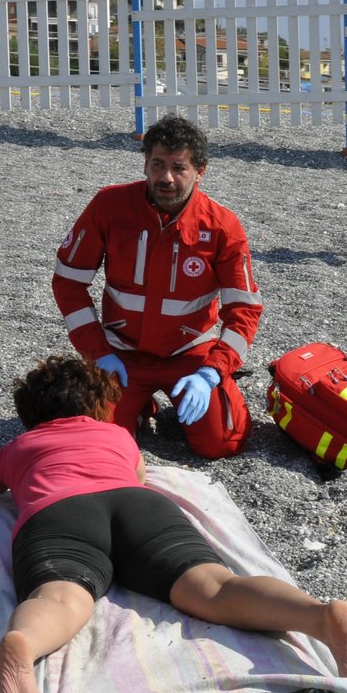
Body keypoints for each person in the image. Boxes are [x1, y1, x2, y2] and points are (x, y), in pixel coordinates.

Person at [0, 356, 347, 693]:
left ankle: (26, 643)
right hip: (139, 505)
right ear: (99, 406)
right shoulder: (117, 436)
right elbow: (136, 476)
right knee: (214, 586)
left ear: (31, 415)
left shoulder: (23, 445)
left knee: (61, 597)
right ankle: (319, 617)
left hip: (60, 513)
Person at [52, 116, 260, 459]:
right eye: (157, 165)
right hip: (121, 354)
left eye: (179, 168)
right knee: (97, 444)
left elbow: (245, 309)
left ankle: (202, 395)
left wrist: (212, 372)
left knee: (223, 444)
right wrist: (98, 352)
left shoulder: (223, 226)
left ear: (200, 171)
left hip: (190, 355)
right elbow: (68, 282)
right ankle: (139, 404)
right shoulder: (109, 206)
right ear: (145, 163)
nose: (166, 177)